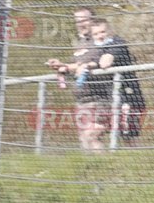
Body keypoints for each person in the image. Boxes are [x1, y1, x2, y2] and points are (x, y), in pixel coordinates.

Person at [47, 15, 115, 152]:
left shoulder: (104, 43)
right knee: (85, 138)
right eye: (78, 20)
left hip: (99, 98)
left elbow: (102, 62)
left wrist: (86, 66)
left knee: (91, 134)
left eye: (84, 19)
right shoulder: (80, 44)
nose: (81, 23)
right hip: (82, 99)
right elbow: (76, 65)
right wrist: (63, 66)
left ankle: (104, 165)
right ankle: (94, 167)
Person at [93, 18, 146, 147]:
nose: (100, 36)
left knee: (128, 136)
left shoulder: (117, 43)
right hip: (110, 99)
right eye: (95, 34)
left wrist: (93, 61)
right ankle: (105, 162)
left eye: (102, 32)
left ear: (109, 31)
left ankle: (138, 161)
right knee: (93, 132)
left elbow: (105, 63)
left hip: (130, 98)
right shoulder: (95, 48)